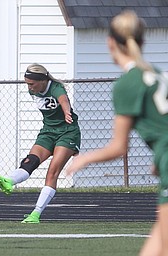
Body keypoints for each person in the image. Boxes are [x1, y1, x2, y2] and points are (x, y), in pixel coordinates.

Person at [65, 10, 168, 256]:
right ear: (142, 42)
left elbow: (119, 148)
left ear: (110, 42)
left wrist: (85, 158)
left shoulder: (127, 84)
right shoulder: (156, 73)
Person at [0, 63, 81, 224]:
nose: (29, 87)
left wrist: (66, 110)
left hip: (67, 132)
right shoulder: (32, 89)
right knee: (30, 161)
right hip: (48, 131)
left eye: (31, 84)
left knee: (52, 172)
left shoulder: (55, 88)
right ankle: (9, 181)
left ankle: (36, 214)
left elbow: (63, 99)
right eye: (27, 83)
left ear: (42, 81)